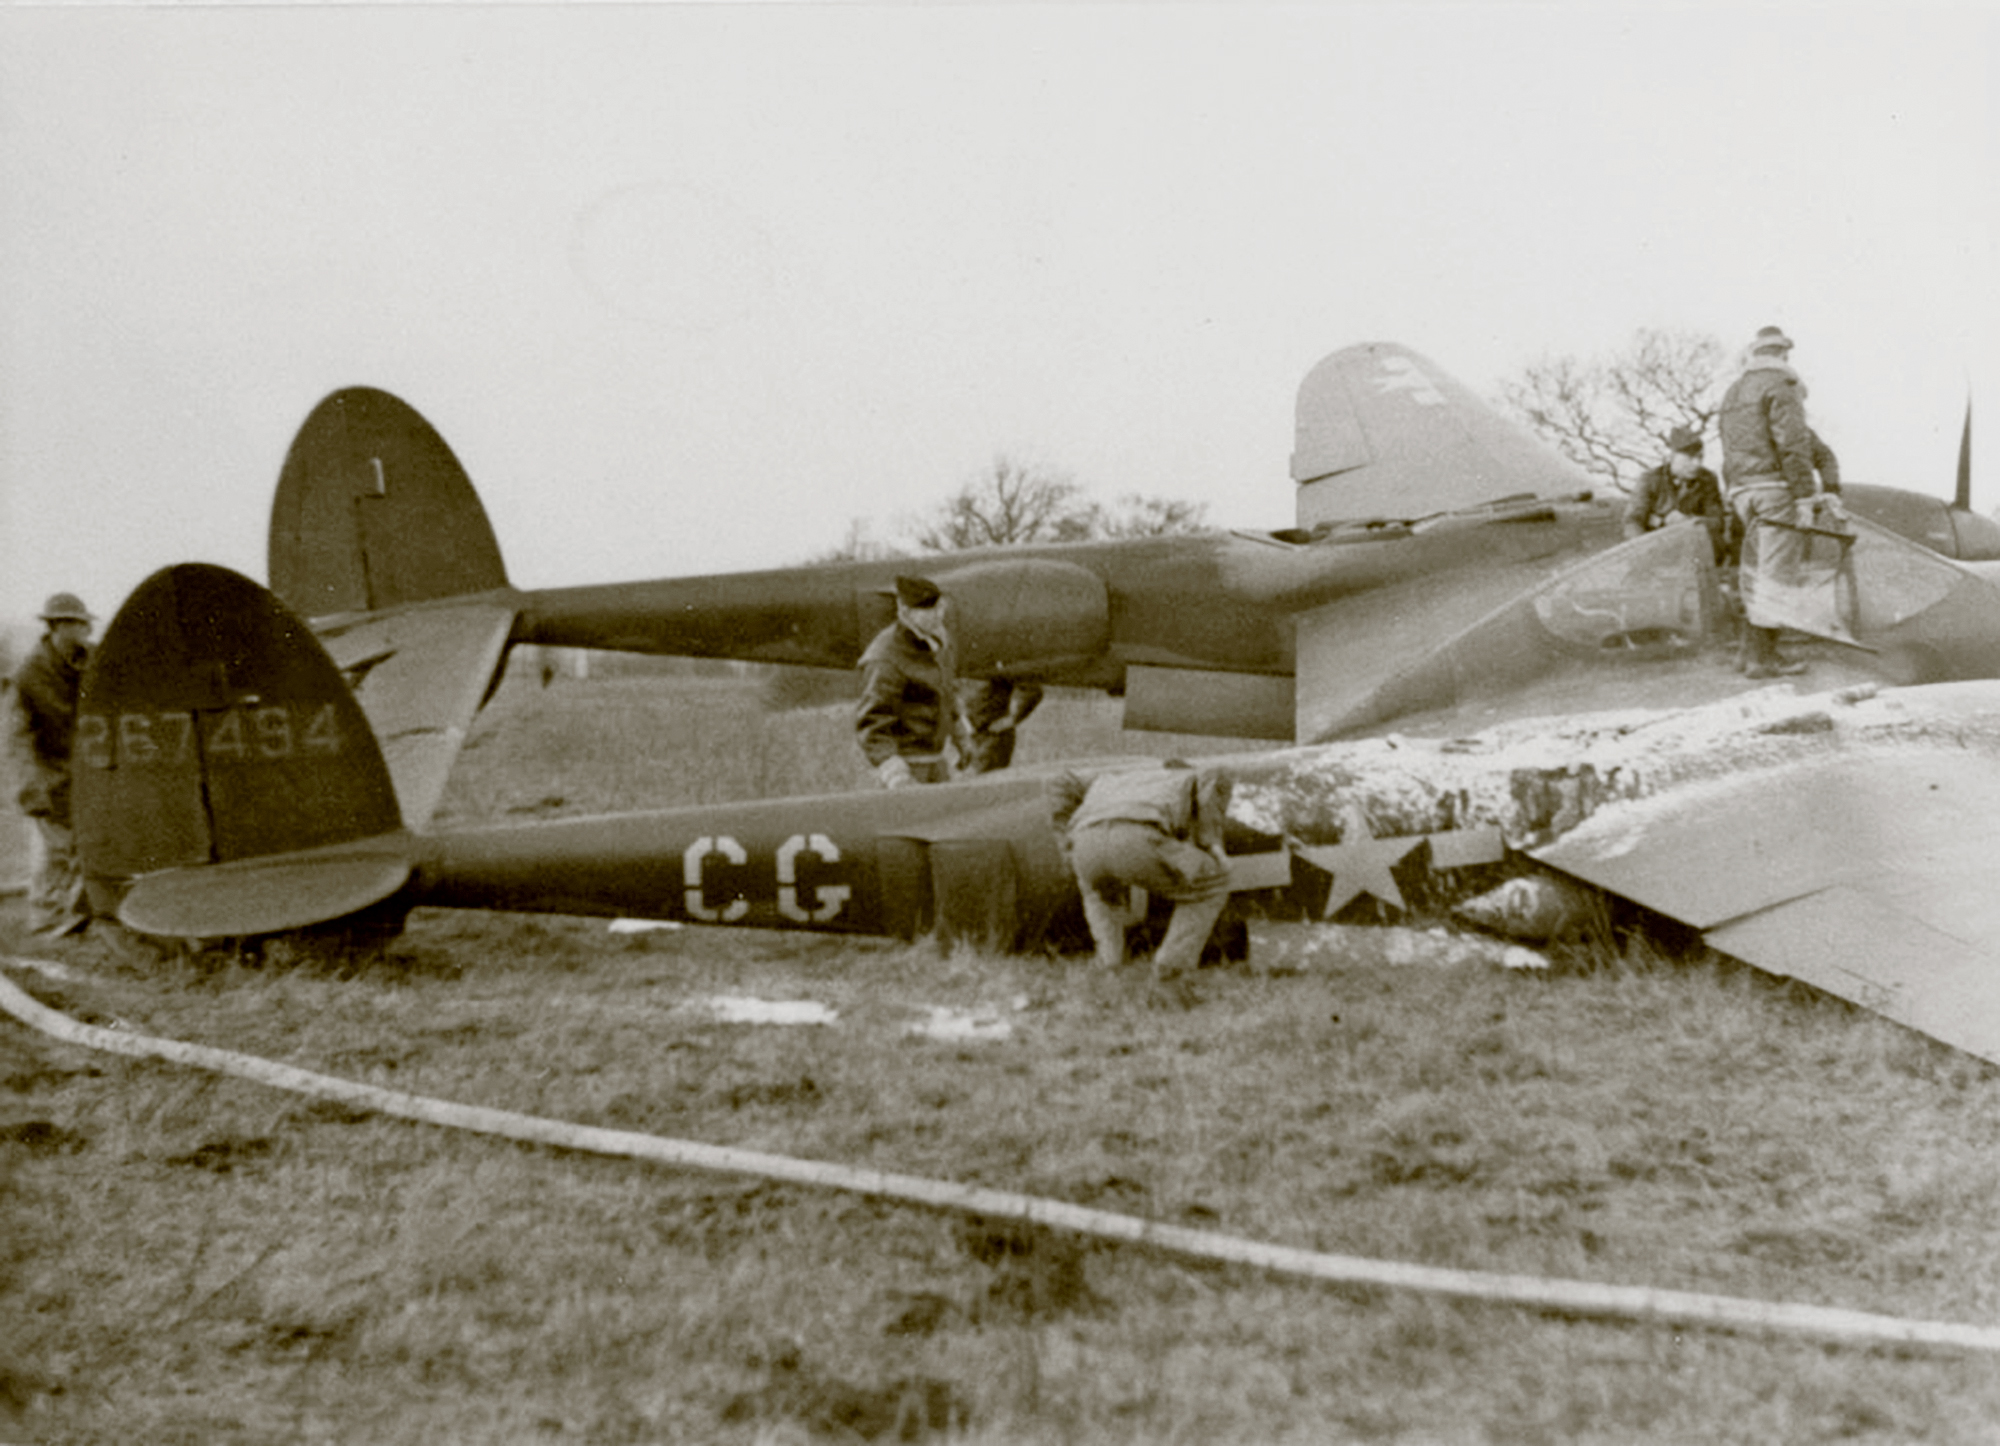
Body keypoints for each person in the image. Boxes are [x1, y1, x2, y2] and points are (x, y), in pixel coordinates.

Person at [1717, 325, 1834, 679]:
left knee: (1756, 574)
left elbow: (1728, 451)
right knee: (1776, 578)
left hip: (1742, 492)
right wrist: (1803, 496)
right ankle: (1764, 659)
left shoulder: (1733, 391)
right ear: (1783, 354)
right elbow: (1792, 446)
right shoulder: (1782, 386)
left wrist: (1736, 491)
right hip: (1774, 490)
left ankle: (1747, 653)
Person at [1048, 760, 1231, 980]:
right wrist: (1210, 842)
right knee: (1213, 882)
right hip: (1139, 837)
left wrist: (1066, 845)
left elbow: (1057, 782)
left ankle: (1109, 962)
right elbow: (1216, 774)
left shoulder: (1119, 775)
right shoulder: (1190, 777)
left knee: (1097, 894)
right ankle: (1171, 966)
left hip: (1086, 839)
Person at [5, 592, 94, 937]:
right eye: (76, 624)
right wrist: (31, 787)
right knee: (54, 851)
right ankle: (45, 919)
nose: (83, 631)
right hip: (49, 776)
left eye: (84, 624)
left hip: (89, 773)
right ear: (57, 627)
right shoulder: (29, 675)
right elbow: (16, 737)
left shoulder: (92, 660)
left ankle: (76, 914)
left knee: (85, 848)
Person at [855, 576, 958, 787]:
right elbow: (872, 722)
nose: (938, 616)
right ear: (905, 611)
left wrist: (962, 738)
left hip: (936, 761)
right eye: (928, 611)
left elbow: (946, 693)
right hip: (907, 768)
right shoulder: (885, 656)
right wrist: (895, 773)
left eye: (940, 608)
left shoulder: (935, 643)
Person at [1623, 424, 1728, 563]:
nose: (1697, 464)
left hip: (1692, 553)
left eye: (1700, 457)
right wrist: (1645, 551)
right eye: (1689, 458)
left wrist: (1688, 522)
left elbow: (1717, 521)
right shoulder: (1650, 479)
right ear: (1672, 456)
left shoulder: (1707, 480)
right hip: (1657, 551)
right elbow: (1632, 522)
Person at [954, 675, 1044, 775]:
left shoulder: (993, 667)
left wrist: (1012, 719)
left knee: (981, 781)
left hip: (992, 737)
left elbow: (1033, 689)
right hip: (966, 737)